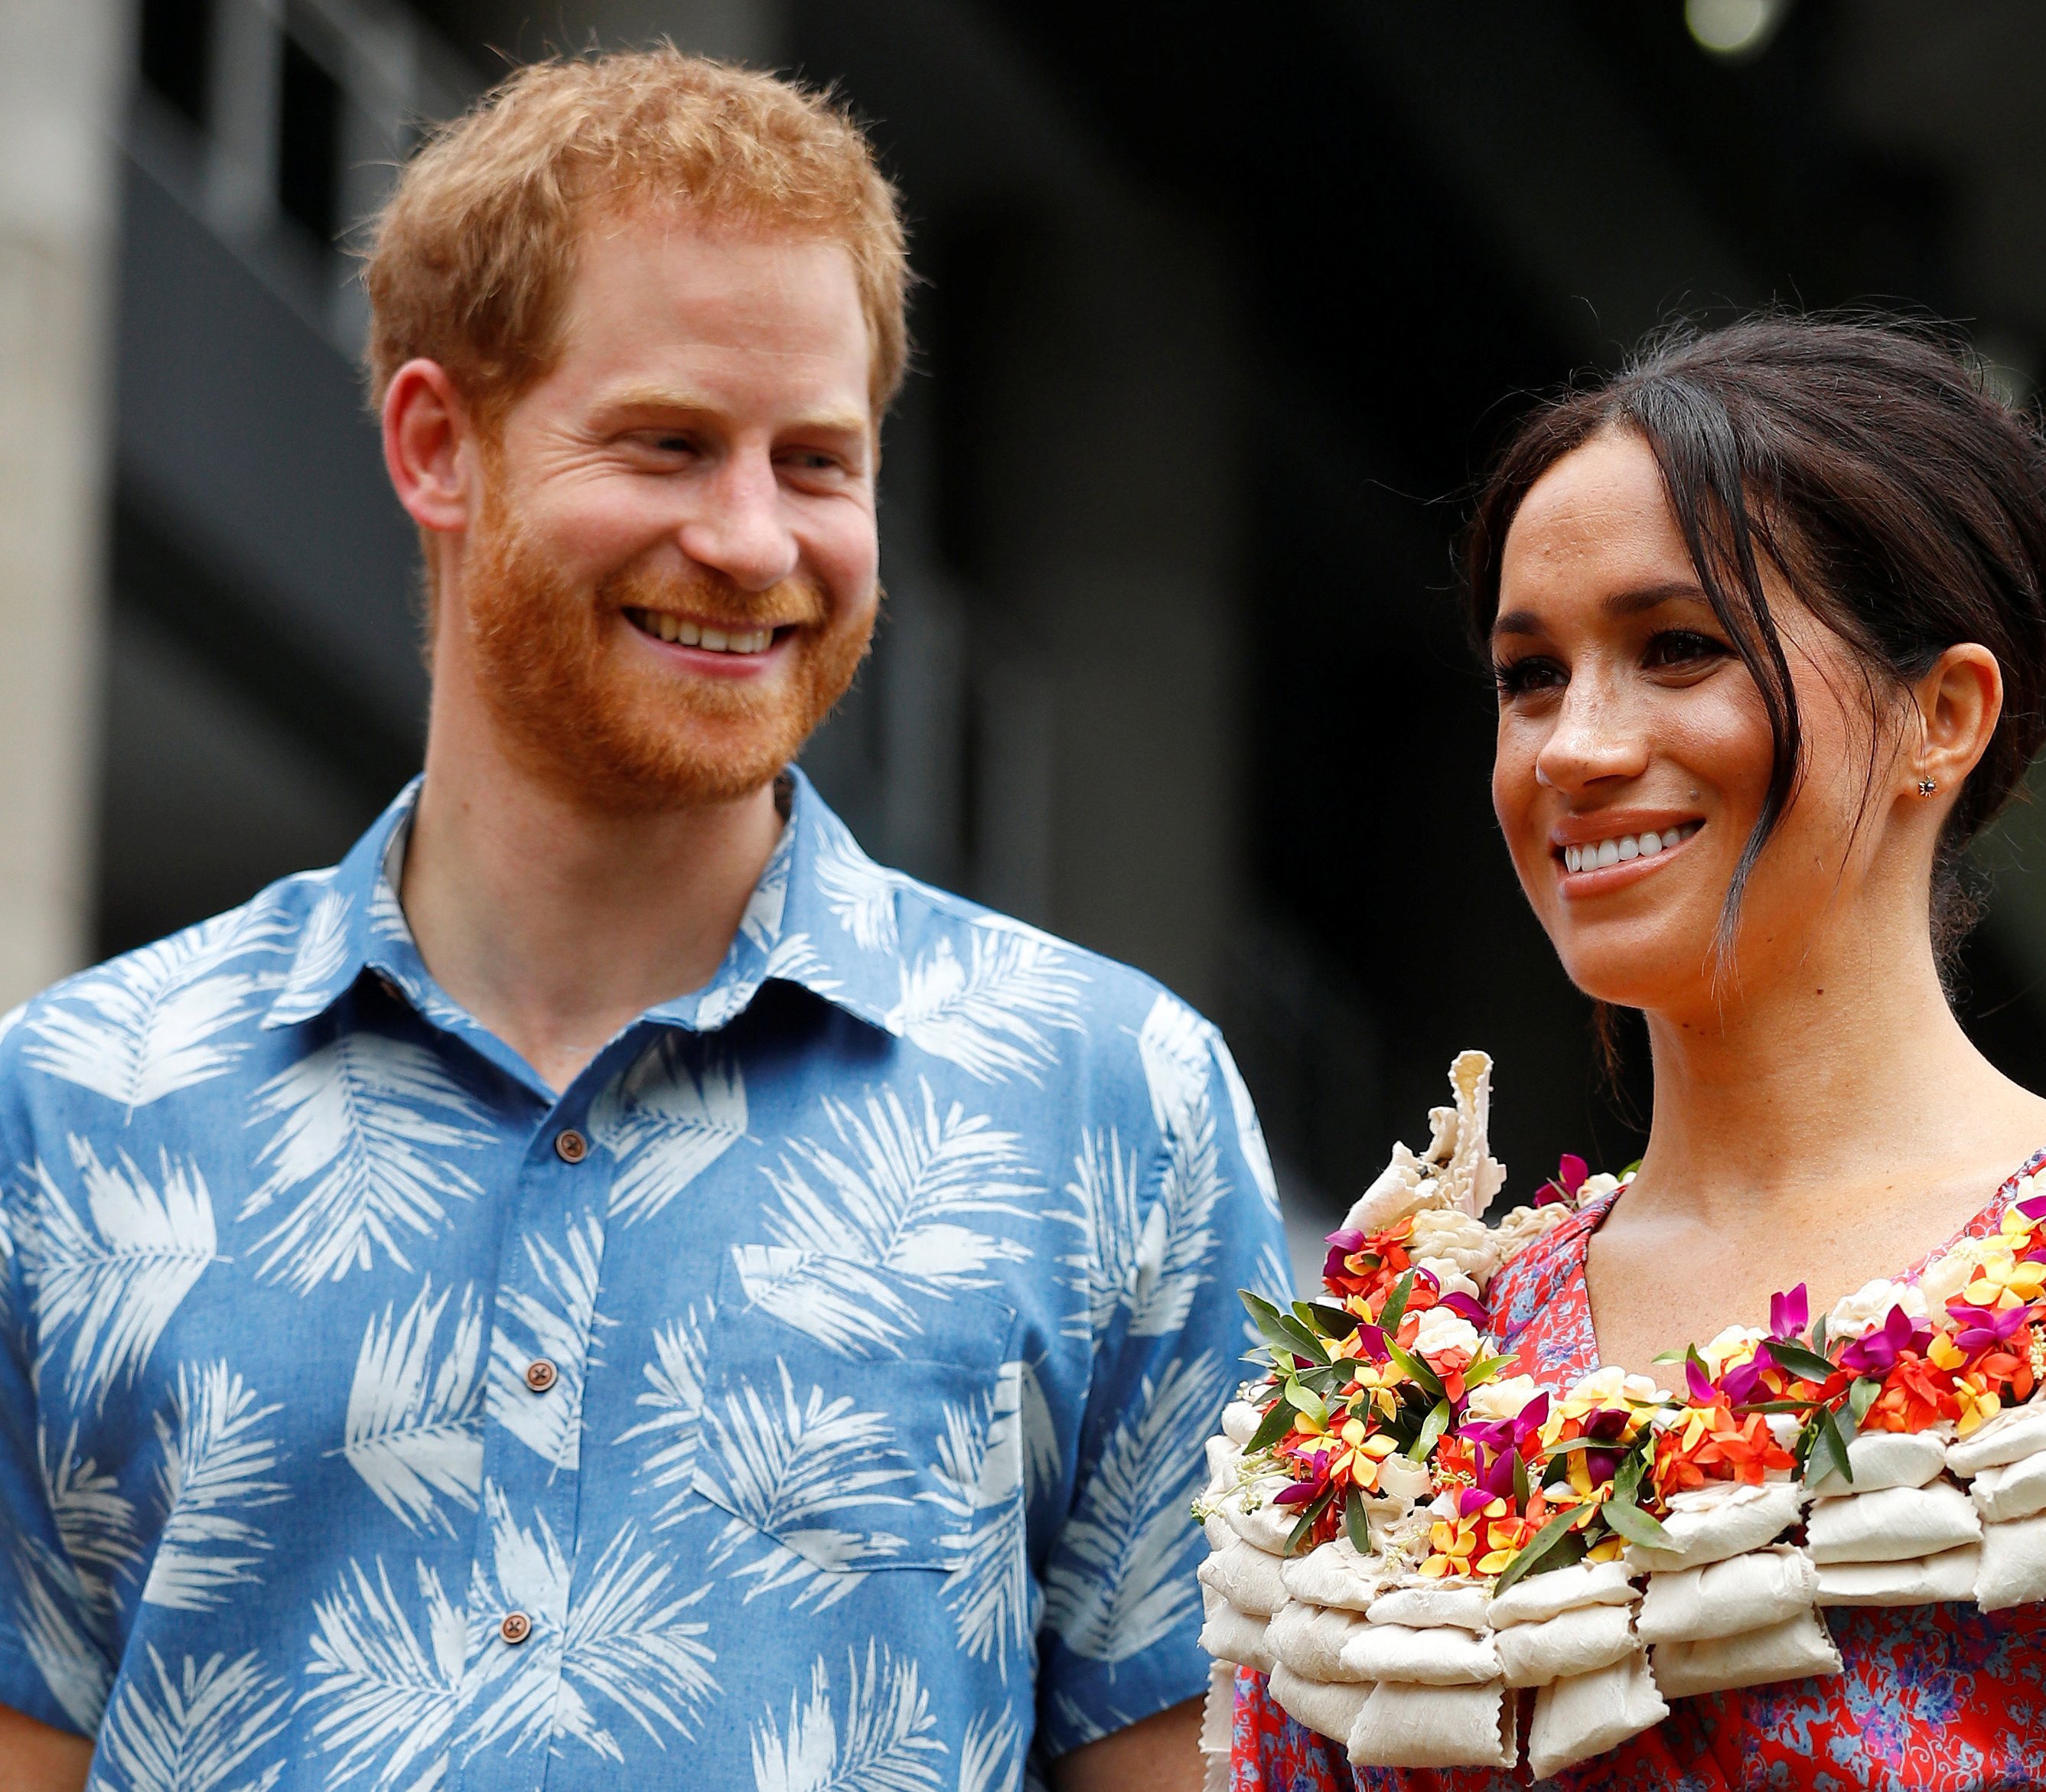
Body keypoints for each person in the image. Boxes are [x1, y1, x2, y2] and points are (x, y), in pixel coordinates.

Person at [0, 49, 1282, 1792]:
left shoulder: (1115, 1103)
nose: (755, 540)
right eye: (669, 442)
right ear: (437, 444)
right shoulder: (75, 1107)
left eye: (817, 460)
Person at [1227, 317, 2046, 1787]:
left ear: (1945, 715)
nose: (1573, 747)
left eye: (1678, 649)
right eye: (1530, 675)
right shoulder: (1406, 1371)